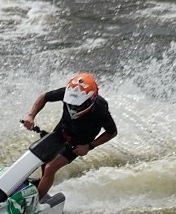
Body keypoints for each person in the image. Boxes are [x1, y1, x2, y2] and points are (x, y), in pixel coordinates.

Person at [20, 72, 117, 202]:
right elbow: (44, 97)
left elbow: (112, 132)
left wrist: (89, 146)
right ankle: (42, 186)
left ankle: (34, 205)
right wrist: (31, 116)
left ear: (90, 100)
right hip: (63, 130)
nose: (73, 108)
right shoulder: (67, 92)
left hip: (80, 143)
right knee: (42, 158)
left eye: (78, 105)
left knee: (50, 167)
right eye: (70, 103)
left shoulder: (100, 109)